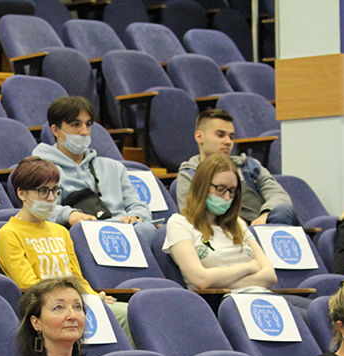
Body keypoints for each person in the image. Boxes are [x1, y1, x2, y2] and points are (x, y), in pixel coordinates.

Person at [0, 156, 130, 338]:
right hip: (47, 306)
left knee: (131, 311)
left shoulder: (61, 231)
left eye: (55, 190)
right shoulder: (9, 233)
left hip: (74, 302)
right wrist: (76, 300)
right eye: (43, 191)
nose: (51, 198)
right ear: (22, 193)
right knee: (124, 316)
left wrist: (94, 296)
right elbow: (28, 284)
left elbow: (76, 277)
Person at [32, 96, 153, 231]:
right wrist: (70, 215)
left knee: (149, 230)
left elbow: (137, 205)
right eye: (75, 124)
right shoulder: (43, 169)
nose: (84, 131)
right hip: (85, 232)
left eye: (88, 125)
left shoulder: (114, 168)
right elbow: (41, 208)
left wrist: (136, 216)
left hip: (126, 230)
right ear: (56, 130)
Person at [163, 153, 276, 291]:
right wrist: (248, 267)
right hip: (218, 300)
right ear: (202, 187)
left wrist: (219, 282)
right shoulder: (179, 223)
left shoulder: (238, 223)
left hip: (258, 295)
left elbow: (270, 275)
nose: (227, 197)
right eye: (220, 189)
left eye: (232, 191)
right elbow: (201, 280)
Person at [175, 109, 298, 226]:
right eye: (220, 135)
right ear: (199, 137)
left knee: (283, 211)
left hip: (262, 225)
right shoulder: (190, 173)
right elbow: (192, 214)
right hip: (224, 230)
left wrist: (266, 213)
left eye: (231, 137)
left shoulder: (248, 166)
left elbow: (280, 196)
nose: (228, 141)